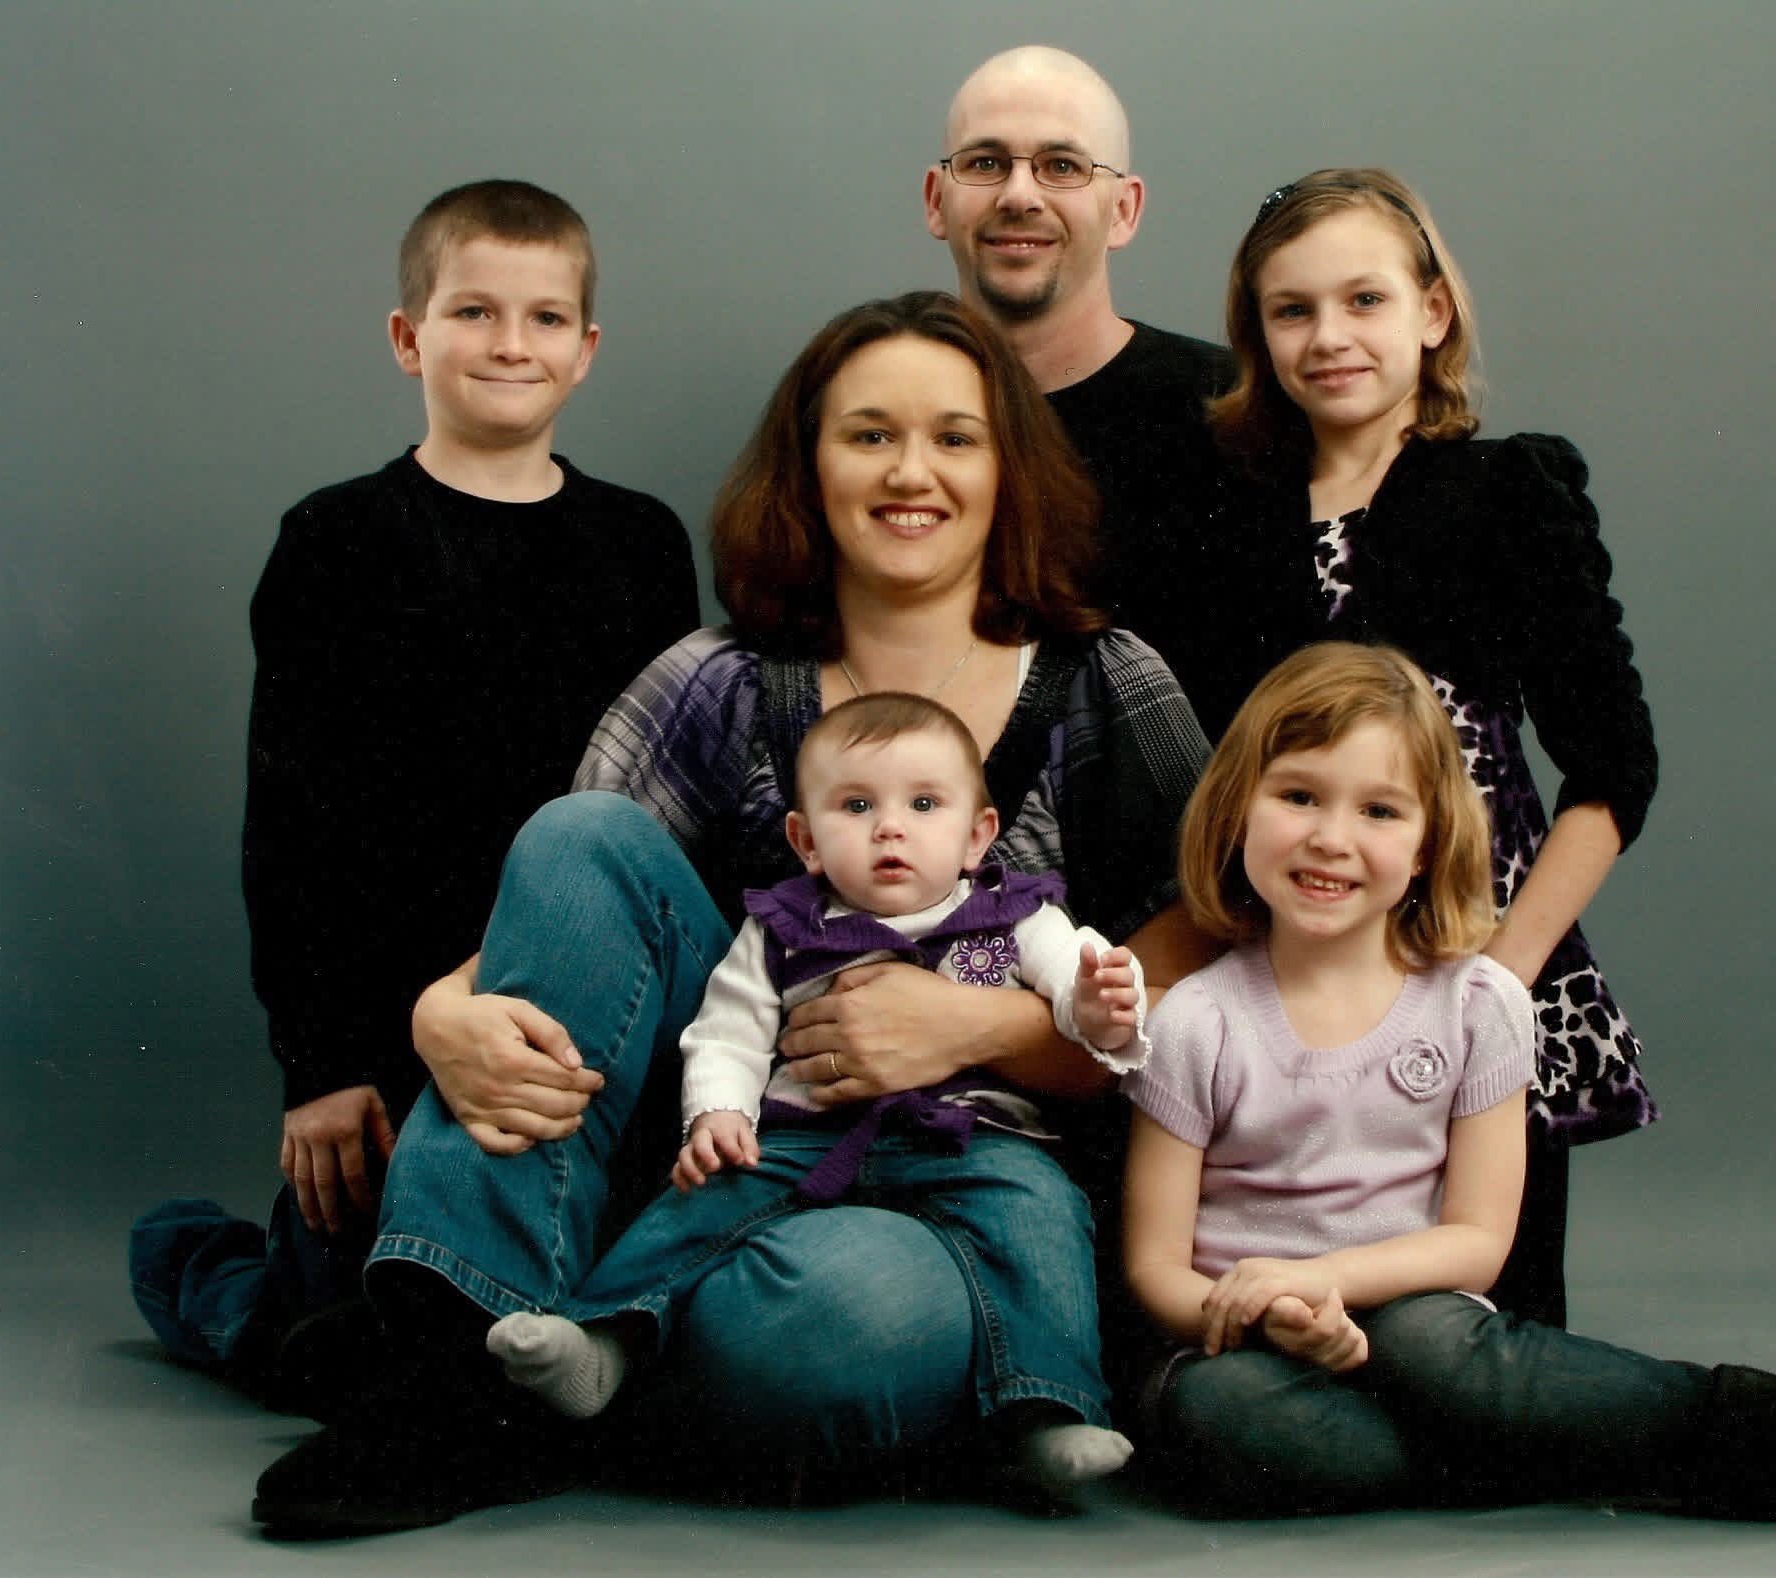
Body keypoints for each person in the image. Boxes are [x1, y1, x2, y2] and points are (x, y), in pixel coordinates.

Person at [248, 290, 1214, 1536]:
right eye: (869, 435)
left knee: (831, 1328)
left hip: (963, 1179)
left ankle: (545, 1353)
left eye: (954, 437)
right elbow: (573, 904)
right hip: (732, 1145)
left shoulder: (1105, 683)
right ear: (809, 466)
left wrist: (983, 1027)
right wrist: (443, 1007)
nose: (909, 472)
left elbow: (1214, 930)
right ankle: (463, 1361)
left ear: (1010, 467)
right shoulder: (721, 678)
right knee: (580, 829)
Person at [1120, 642, 1776, 1547]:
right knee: (1221, 1413)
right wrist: (1266, 1312)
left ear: (1428, 843)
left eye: (1379, 810)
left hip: (1413, 1323)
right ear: (1238, 807)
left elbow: (1478, 1244)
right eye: (1298, 796)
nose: (1331, 837)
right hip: (1247, 1350)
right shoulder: (1196, 1021)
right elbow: (1155, 1268)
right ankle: (1525, 1453)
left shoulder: (1476, 1004)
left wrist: (1324, 1279)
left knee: (1433, 1347)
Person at [126, 179, 699, 1404]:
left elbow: (663, 807)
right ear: (408, 337)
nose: (510, 344)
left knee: (552, 1304)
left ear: (587, 350)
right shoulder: (337, 539)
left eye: (546, 318)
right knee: (331, 1333)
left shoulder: (641, 544)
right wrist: (323, 1064)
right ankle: (206, 1271)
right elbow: (293, 829)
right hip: (397, 1026)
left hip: (577, 1008)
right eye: (473, 311)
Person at [484, 692, 1146, 1497]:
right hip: (805, 1136)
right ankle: (603, 1338)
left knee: (1042, 1215)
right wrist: (719, 1113)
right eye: (857, 806)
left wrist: (1100, 1006)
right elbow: (729, 1032)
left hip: (974, 1141)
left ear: (978, 835)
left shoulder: (1018, 917)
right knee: (702, 1195)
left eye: (924, 805)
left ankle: (1048, 1410)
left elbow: (1075, 994)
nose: (890, 828)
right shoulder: (784, 926)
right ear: (805, 840)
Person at [1199, 168, 1659, 1327]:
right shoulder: (1230, 516)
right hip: (1296, 964)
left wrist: (1500, 978)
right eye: (1292, 310)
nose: (1329, 336)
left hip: (1475, 943)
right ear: (1258, 334)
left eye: (1365, 300)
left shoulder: (1506, 491)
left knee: (1487, 1324)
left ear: (1433, 312)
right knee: (1301, 1294)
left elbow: (1615, 767)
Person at [924, 47, 1236, 731]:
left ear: (1124, 210)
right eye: (985, 163)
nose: (1019, 195)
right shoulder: (880, 419)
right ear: (936, 200)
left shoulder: (1234, 410)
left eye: (1062, 166)